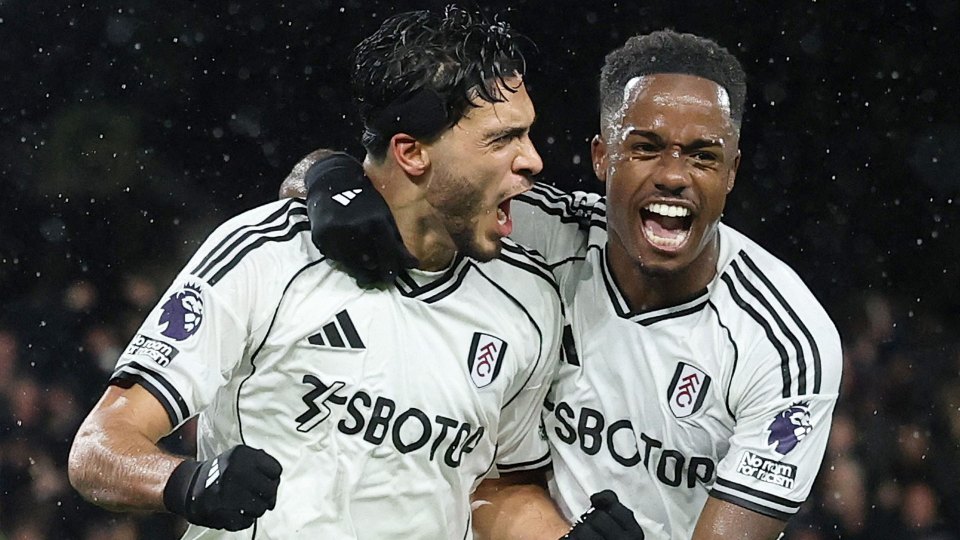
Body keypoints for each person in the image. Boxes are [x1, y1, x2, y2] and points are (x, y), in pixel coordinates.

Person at [67, 7, 640, 538]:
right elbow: (98, 448)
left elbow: (496, 484)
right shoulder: (268, 255)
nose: (533, 159)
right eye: (502, 138)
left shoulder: (529, 300)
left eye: (527, 132)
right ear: (412, 152)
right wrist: (186, 482)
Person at [295, 29, 843, 540]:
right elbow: (389, 167)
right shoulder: (535, 231)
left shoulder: (786, 343)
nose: (674, 175)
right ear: (602, 156)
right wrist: (330, 182)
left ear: (732, 172)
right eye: (646, 147)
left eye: (703, 156)